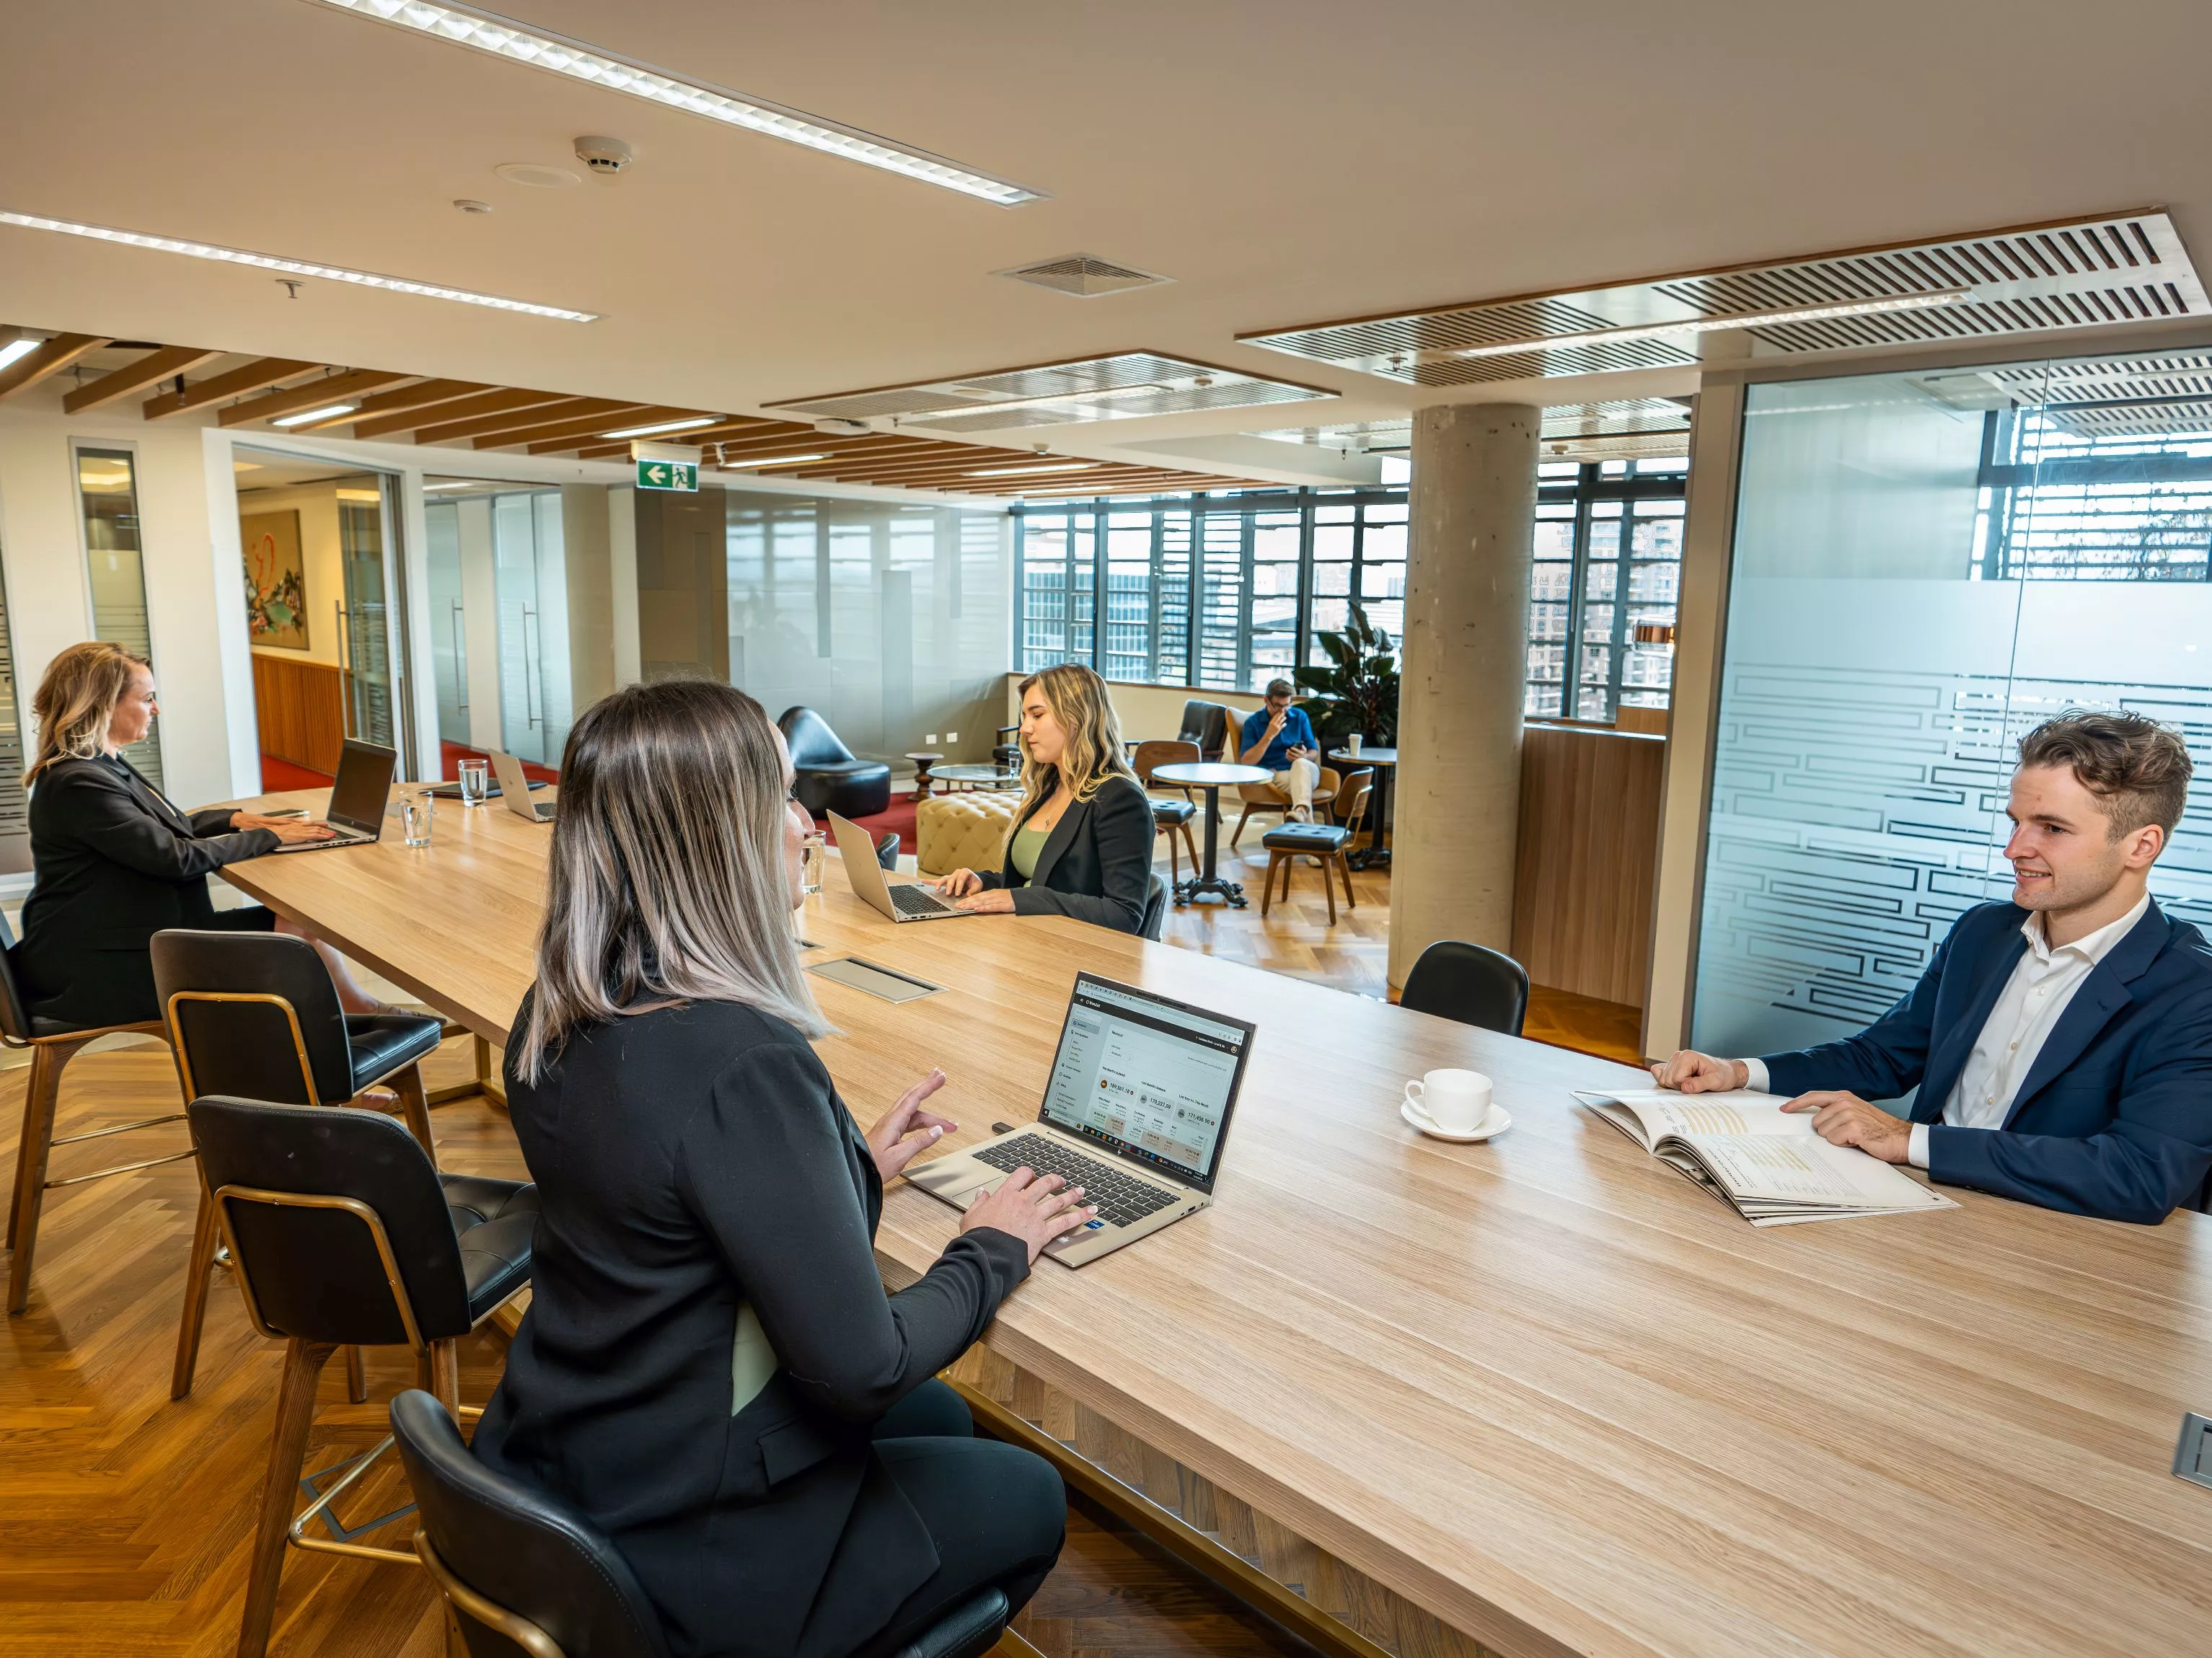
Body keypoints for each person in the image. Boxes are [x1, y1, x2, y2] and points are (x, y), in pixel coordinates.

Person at [472, 679, 1095, 1658]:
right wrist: (990, 1245)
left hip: (579, 1445)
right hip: (689, 1546)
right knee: (1028, 1489)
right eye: (778, 797)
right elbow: (862, 1370)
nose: (805, 822)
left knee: (939, 1415)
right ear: (713, 840)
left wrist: (845, 1169)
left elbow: (664, 1203)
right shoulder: (741, 1061)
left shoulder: (558, 1008)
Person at [1653, 710, 2212, 1225]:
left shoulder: (2193, 991)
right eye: (2015, 821)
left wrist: (1907, 1140)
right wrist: (1740, 1073)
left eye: (2052, 828)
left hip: (2055, 1244)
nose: (2014, 848)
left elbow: (2138, 1174)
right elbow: (1883, 1056)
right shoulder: (1983, 933)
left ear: (2140, 846)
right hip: (1915, 1209)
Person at [13, 640, 387, 1030]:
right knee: (289, 946)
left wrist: (240, 821)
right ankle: (339, 1045)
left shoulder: (98, 765)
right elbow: (173, 857)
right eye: (147, 698)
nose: (156, 709)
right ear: (103, 705)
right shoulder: (79, 782)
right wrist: (275, 839)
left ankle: (354, 1020)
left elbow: (164, 828)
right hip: (101, 966)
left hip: (128, 935)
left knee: (297, 922)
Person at [935, 663, 1153, 934]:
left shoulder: (1119, 798)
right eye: (1024, 716)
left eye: (1037, 715)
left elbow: (1124, 915)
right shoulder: (1049, 786)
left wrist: (1019, 899)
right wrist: (983, 882)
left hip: (1069, 953)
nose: (1025, 729)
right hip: (1023, 937)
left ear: (1077, 718)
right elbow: (1037, 879)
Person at [1238, 679, 1321, 821]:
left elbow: (1313, 751)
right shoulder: (1253, 723)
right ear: (1266, 700)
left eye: (1287, 705)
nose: (1283, 711)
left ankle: (1301, 816)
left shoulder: (1299, 717)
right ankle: (1302, 813)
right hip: (1277, 774)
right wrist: (1269, 735)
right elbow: (1247, 761)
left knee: (1300, 764)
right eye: (1278, 706)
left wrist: (1303, 756)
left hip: (1307, 770)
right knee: (1301, 788)